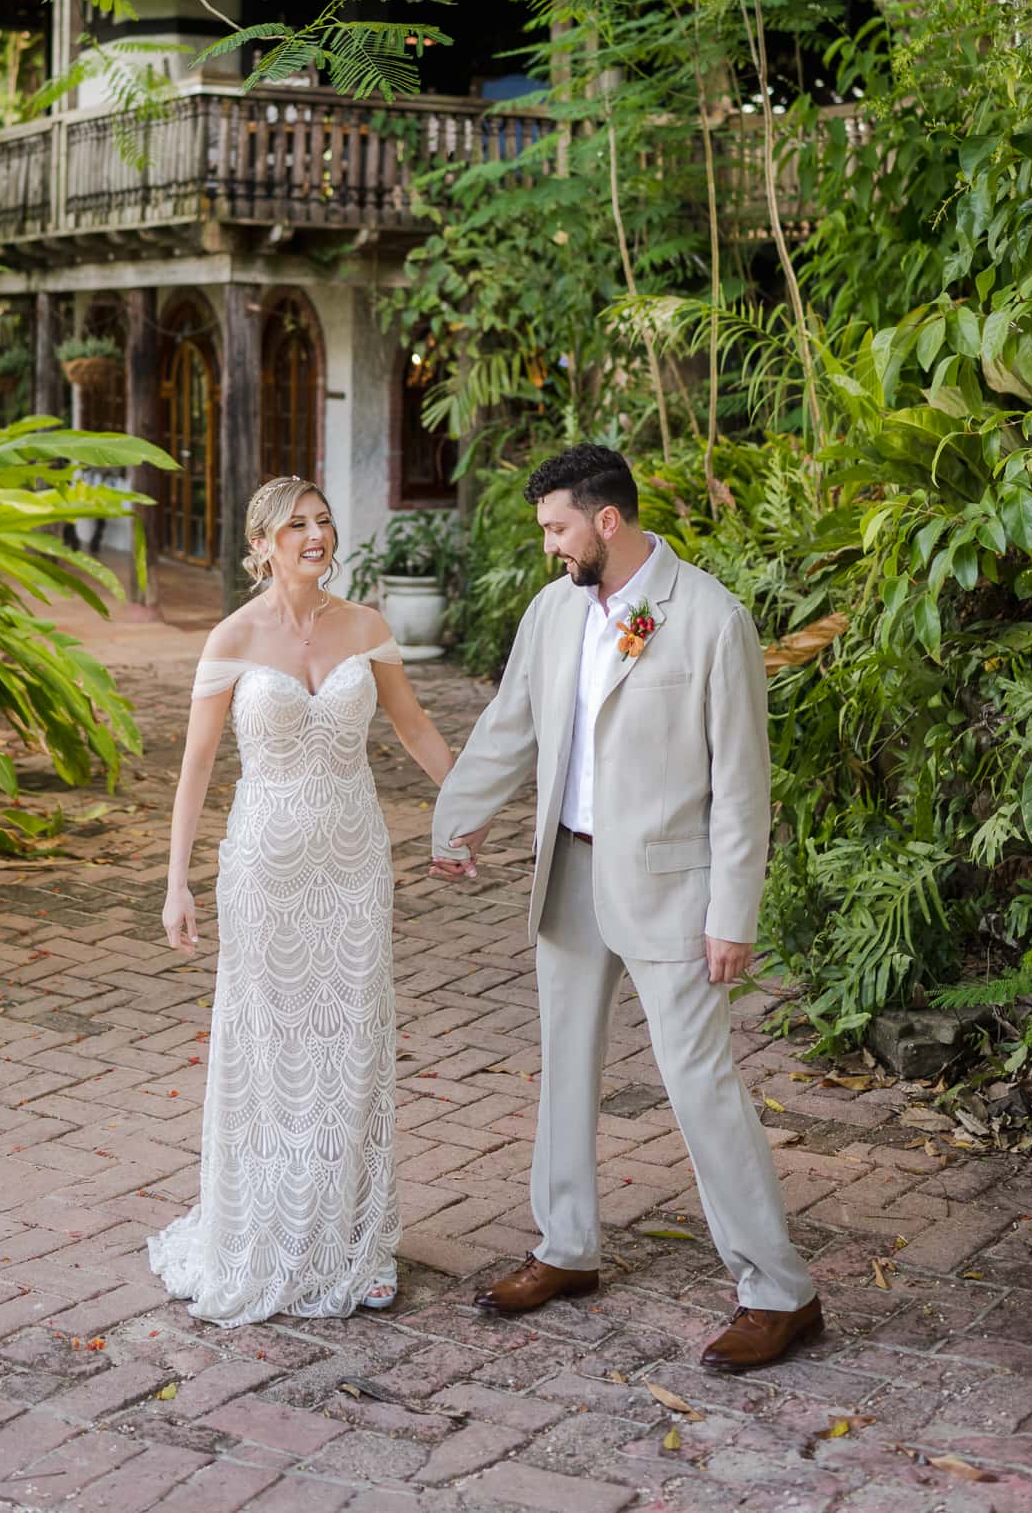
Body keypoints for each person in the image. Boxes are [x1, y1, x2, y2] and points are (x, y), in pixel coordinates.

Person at [430, 444, 822, 1371]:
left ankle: (780, 1290)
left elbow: (742, 786)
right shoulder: (552, 611)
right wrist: (460, 821)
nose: (548, 548)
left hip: (673, 889)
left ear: (607, 522)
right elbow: (511, 723)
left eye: (556, 529)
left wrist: (733, 912)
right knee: (565, 1068)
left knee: (699, 1086)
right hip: (568, 872)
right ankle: (566, 1250)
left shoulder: (710, 620)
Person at [151, 475, 455, 1326]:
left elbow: (414, 728)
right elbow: (197, 769)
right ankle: (264, 1234)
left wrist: (463, 812)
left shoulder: (365, 626)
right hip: (265, 871)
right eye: (297, 526)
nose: (315, 535)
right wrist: (177, 882)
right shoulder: (233, 637)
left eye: (323, 520)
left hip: (354, 865)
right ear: (262, 545)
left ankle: (355, 1242)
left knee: (352, 1044)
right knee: (269, 1049)